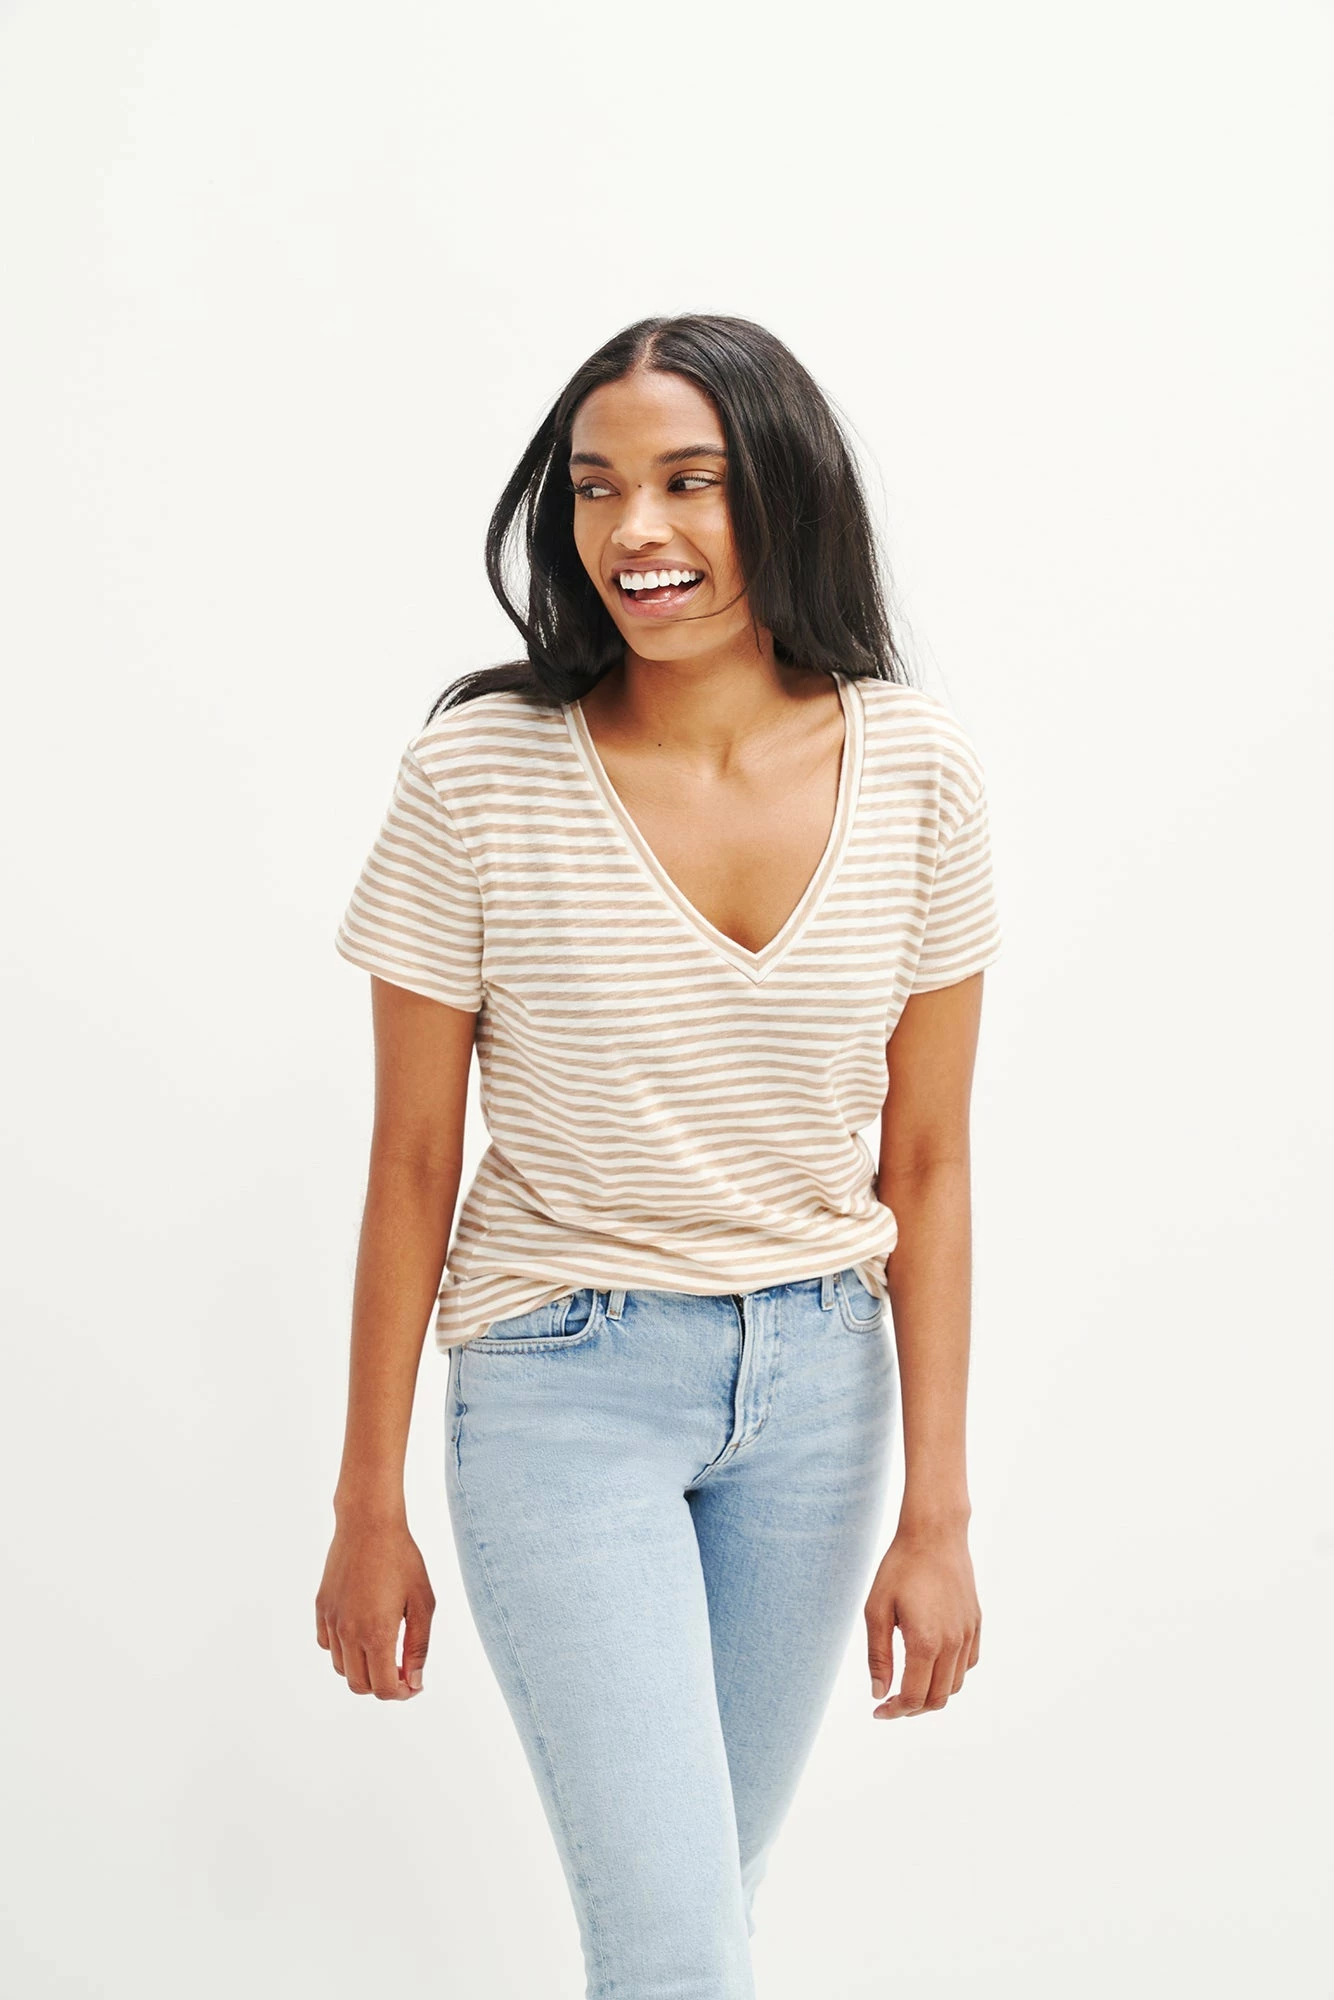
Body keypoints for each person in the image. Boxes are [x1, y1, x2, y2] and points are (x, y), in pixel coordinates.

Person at [316, 313, 1003, 1999]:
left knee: (697, 1914)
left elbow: (926, 1163)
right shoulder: (477, 774)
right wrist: (364, 1503)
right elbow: (412, 1160)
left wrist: (937, 1514)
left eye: (690, 482)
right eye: (594, 487)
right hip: (563, 1383)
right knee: (680, 1946)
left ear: (784, 489)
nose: (634, 530)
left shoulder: (916, 770)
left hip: (821, 1388)